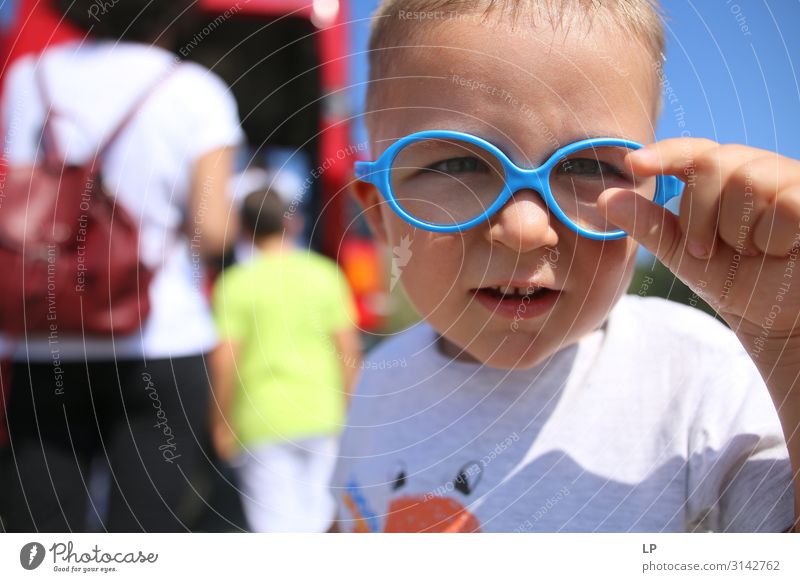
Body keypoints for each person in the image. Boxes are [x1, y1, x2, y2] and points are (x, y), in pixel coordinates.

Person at [330, 0, 800, 532]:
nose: (527, 231)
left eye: (589, 165)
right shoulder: (380, 380)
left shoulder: (705, 382)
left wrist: (789, 349)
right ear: (378, 210)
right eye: (457, 164)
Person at [0, 0, 243, 531]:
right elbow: (212, 234)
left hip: (45, 340)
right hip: (160, 340)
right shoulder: (194, 90)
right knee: (143, 536)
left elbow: (16, 207)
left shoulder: (28, 78)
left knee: (37, 533)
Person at [210, 188, 361, 532]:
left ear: (244, 229)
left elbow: (225, 361)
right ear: (291, 223)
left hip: (261, 419)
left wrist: (221, 423)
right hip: (325, 415)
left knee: (277, 529)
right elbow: (348, 350)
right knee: (327, 523)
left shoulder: (233, 285)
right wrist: (356, 411)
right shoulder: (325, 274)